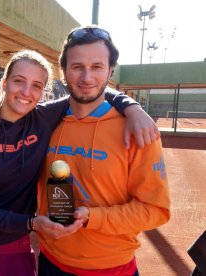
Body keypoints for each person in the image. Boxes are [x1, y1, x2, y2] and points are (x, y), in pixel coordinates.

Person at [0, 48, 159, 276]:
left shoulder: (43, 118)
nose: (26, 92)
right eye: (18, 81)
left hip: (15, 250)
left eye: (36, 85)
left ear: (44, 91)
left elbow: (88, 91)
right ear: (4, 83)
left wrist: (132, 107)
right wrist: (30, 223)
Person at [34, 26, 171, 275]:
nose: (87, 77)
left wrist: (92, 217)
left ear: (110, 70)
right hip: (51, 262)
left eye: (97, 66)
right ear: (64, 71)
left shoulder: (138, 130)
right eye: (77, 67)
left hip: (112, 268)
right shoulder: (46, 122)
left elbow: (155, 210)